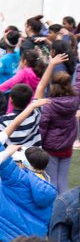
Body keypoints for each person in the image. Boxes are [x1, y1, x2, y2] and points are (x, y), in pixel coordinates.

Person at [32, 53, 79, 193]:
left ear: (54, 86)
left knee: (51, 180)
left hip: (51, 147)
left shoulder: (49, 105)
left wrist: (41, 143)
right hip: (67, 145)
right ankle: (64, 209)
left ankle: (54, 209)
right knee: (63, 181)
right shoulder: (75, 100)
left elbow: (43, 127)